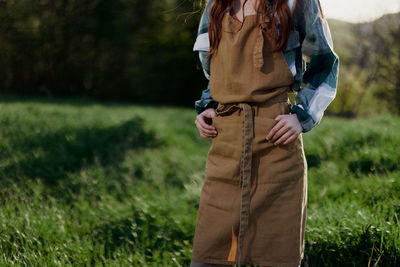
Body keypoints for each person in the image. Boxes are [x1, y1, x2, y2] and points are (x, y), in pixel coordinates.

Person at [191, 0, 339, 266]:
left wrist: (301, 116)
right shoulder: (215, 5)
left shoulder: (297, 3)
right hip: (225, 149)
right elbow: (211, 67)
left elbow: (325, 64)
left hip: (277, 148)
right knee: (208, 256)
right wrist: (208, 106)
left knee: (277, 255)